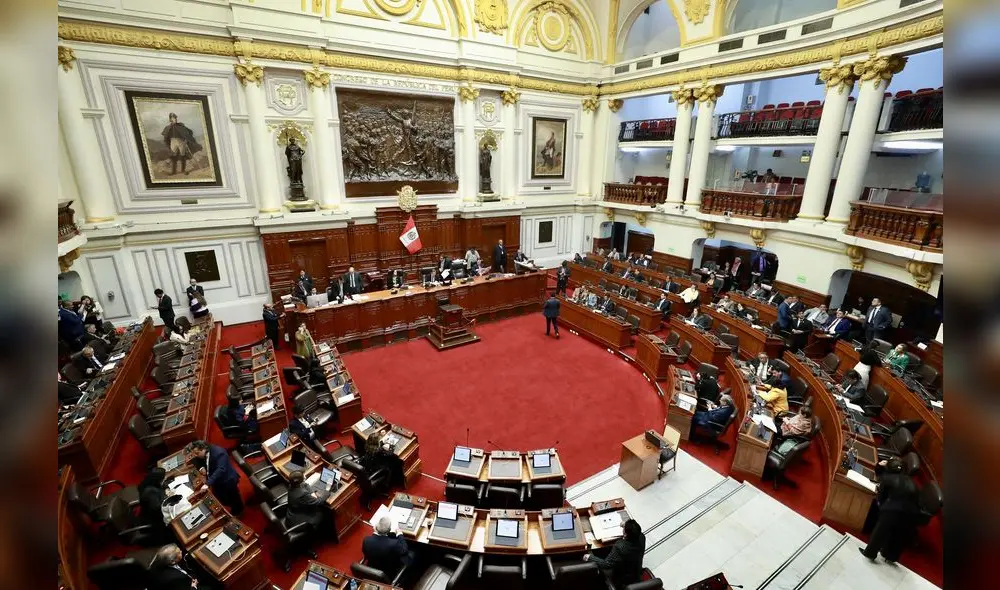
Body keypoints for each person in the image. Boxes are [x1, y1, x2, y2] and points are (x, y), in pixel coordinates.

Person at [860, 457, 920, 564]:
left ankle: (870, 553)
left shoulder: (887, 478)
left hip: (893, 509)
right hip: (911, 513)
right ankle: (891, 556)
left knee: (880, 531)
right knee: (899, 535)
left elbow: (880, 498)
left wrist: (882, 509)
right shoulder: (912, 481)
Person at [584, 518, 645, 588]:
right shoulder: (641, 537)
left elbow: (606, 564)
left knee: (592, 553)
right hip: (636, 572)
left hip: (622, 578)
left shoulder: (620, 547)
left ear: (625, 535)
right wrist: (626, 525)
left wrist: (589, 557)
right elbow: (634, 530)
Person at [190, 440, 243, 514]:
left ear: (203, 449)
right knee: (220, 497)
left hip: (227, 480)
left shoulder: (219, 453)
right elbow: (195, 459)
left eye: (197, 453)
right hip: (216, 481)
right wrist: (201, 468)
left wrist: (207, 483)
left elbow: (221, 470)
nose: (195, 455)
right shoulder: (204, 450)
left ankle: (238, 511)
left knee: (234, 499)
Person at [137, 468, 170, 544]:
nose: (165, 478)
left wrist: (166, 489)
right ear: (158, 479)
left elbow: (161, 486)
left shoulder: (149, 481)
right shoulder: (150, 494)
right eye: (163, 478)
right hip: (155, 521)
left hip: (150, 513)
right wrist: (167, 497)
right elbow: (160, 510)